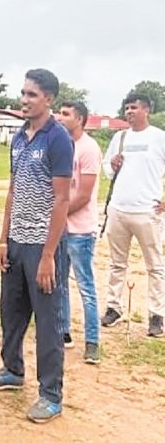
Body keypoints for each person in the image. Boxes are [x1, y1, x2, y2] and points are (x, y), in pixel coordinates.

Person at [0, 69, 73, 424]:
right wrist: (4, 239)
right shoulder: (19, 137)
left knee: (47, 323)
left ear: (48, 98)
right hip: (17, 243)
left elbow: (62, 200)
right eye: (22, 93)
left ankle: (51, 395)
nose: (24, 99)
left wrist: (49, 255)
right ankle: (12, 369)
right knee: (11, 312)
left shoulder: (58, 138)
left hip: (43, 247)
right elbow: (13, 190)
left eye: (31, 94)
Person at [100, 93, 165, 337]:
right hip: (119, 208)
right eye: (126, 107)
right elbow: (106, 167)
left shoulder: (159, 137)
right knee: (117, 263)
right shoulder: (120, 137)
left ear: (146, 110)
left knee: (155, 266)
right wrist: (112, 165)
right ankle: (114, 307)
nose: (129, 111)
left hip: (148, 211)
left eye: (134, 107)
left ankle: (156, 314)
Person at [55, 101, 102, 363]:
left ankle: (92, 341)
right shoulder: (61, 145)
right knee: (59, 284)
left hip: (81, 231)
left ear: (80, 119)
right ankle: (63, 332)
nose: (60, 118)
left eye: (66, 114)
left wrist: (58, 215)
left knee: (85, 286)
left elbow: (83, 195)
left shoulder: (89, 148)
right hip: (61, 229)